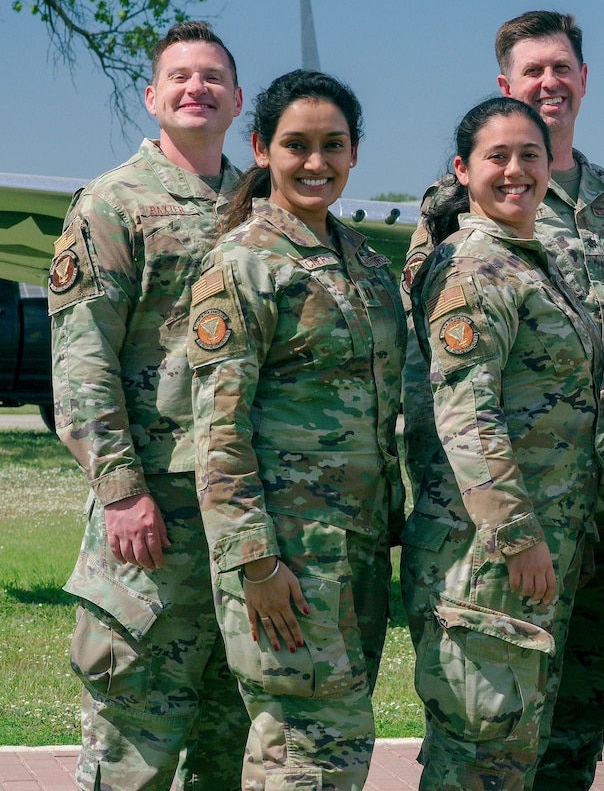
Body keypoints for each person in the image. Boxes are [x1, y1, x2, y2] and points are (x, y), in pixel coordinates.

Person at [403, 10, 604, 791]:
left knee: (573, 725)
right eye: (532, 71)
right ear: (505, 85)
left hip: (596, 516)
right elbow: (444, 383)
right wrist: (495, 523)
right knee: (486, 737)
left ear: (583, 80)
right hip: (504, 528)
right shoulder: (461, 217)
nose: (550, 82)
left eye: (562, 68)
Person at [188, 71, 405, 791]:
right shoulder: (243, 263)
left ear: (354, 154)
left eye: (332, 145)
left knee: (317, 752)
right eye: (296, 145)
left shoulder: (368, 269)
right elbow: (219, 429)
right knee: (311, 754)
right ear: (260, 149)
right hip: (287, 562)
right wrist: (254, 561)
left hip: (357, 555)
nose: (316, 162)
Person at [48, 20, 250, 791]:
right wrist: (123, 491)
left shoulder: (256, 209)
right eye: (180, 76)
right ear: (152, 97)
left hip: (239, 519)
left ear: (237, 100)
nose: (196, 87)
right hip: (152, 524)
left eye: (211, 77)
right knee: (136, 749)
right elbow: (82, 363)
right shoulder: (113, 204)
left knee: (226, 750)